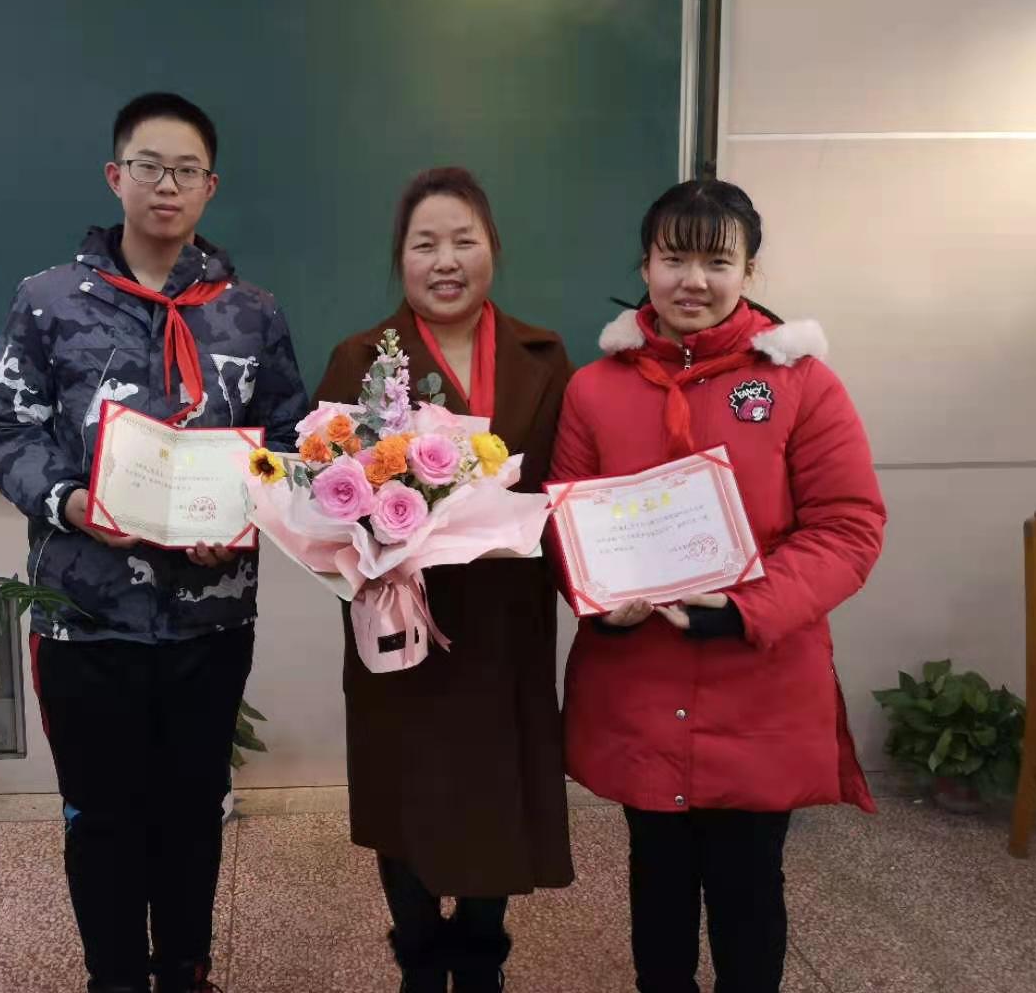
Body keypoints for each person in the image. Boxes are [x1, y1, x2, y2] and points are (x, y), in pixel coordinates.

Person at [0, 92, 308, 993]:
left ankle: (186, 970)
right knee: (102, 818)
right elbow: (2, 428)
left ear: (210, 188)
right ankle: (114, 976)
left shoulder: (251, 314)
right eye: (150, 166)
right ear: (116, 176)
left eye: (186, 170)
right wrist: (70, 499)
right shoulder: (47, 302)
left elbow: (290, 444)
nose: (167, 185)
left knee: (194, 810)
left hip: (209, 618)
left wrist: (243, 515)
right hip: (85, 615)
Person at [550, 179, 886, 993]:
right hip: (639, 678)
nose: (692, 280)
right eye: (674, 259)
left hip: (761, 682)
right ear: (645, 266)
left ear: (749, 272)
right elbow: (568, 522)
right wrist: (599, 597)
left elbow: (848, 527)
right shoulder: (594, 389)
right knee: (657, 877)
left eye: (716, 261)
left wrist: (745, 608)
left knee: (748, 886)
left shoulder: (802, 383)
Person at [313, 167, 575, 993]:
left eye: (464, 240)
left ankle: (484, 955)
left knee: (499, 790)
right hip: (403, 622)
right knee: (407, 793)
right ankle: (421, 959)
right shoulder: (360, 360)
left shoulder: (544, 355)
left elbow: (571, 485)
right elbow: (323, 497)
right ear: (401, 258)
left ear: (494, 248)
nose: (446, 260)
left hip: (506, 622)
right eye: (425, 244)